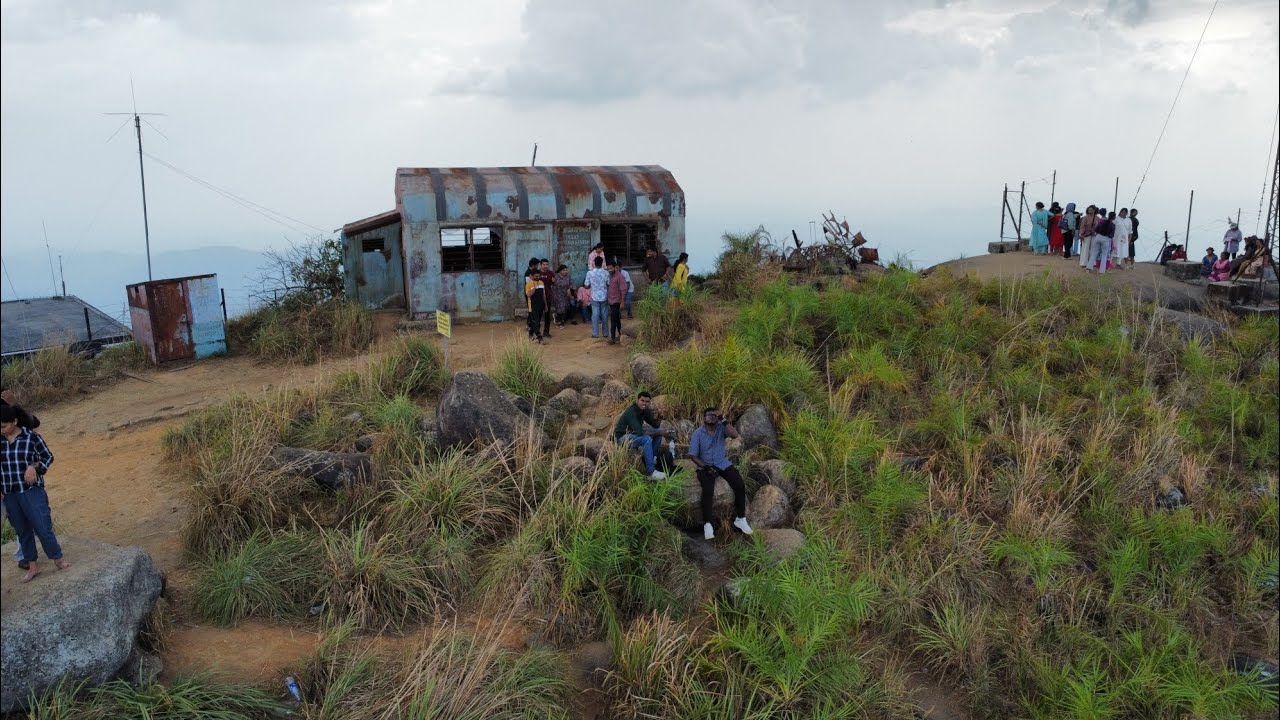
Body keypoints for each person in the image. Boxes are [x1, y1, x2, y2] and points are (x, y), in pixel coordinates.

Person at [2, 404, 69, 583]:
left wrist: (34, 467)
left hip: (31, 491)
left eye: (4, 426)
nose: (2, 430)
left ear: (15, 421)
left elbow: (47, 456)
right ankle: (32, 566)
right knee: (22, 531)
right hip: (10, 494)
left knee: (42, 526)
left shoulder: (31, 437)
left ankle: (58, 559)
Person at [687, 407, 753, 540]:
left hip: (722, 463)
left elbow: (734, 435)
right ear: (703, 418)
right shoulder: (698, 433)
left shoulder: (721, 429)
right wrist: (705, 467)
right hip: (705, 466)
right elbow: (693, 456)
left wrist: (723, 419)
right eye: (708, 415)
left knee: (739, 485)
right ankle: (708, 524)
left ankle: (740, 518)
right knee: (707, 490)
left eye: (714, 415)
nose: (711, 417)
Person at [613, 392, 671, 480]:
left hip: (633, 433)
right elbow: (640, 433)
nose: (644, 403)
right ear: (637, 400)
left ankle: (652, 459)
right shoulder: (631, 412)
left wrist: (660, 416)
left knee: (659, 432)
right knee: (647, 439)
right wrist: (660, 432)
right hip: (622, 438)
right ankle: (651, 472)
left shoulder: (645, 411)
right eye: (642, 400)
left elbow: (655, 425)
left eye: (647, 401)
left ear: (649, 402)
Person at [585, 256, 610, 339]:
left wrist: (592, 286)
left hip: (594, 296)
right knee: (604, 315)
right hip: (604, 296)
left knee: (595, 315)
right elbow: (609, 284)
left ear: (594, 263)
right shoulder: (606, 273)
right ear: (602, 263)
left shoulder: (590, 273)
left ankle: (595, 334)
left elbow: (586, 285)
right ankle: (605, 333)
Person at [607, 259, 628, 344]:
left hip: (617, 301)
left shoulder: (619, 276)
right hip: (611, 301)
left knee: (613, 319)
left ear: (615, 268)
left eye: (611, 268)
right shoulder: (610, 276)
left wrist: (622, 302)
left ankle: (612, 337)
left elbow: (623, 289)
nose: (609, 270)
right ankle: (620, 334)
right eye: (608, 269)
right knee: (616, 319)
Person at [524, 264, 546, 343]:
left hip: (541, 305)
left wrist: (545, 305)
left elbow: (544, 295)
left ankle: (530, 333)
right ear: (532, 276)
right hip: (533, 306)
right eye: (536, 276)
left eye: (538, 276)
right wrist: (535, 287)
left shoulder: (542, 283)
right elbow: (528, 294)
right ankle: (539, 337)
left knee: (537, 321)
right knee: (535, 322)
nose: (537, 278)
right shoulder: (529, 284)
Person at [536, 259, 557, 338]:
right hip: (538, 298)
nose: (545, 266)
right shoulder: (537, 273)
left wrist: (554, 282)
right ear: (540, 265)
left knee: (547, 315)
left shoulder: (551, 273)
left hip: (548, 296)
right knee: (538, 316)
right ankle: (536, 332)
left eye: (547, 264)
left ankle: (546, 332)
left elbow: (554, 283)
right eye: (544, 264)